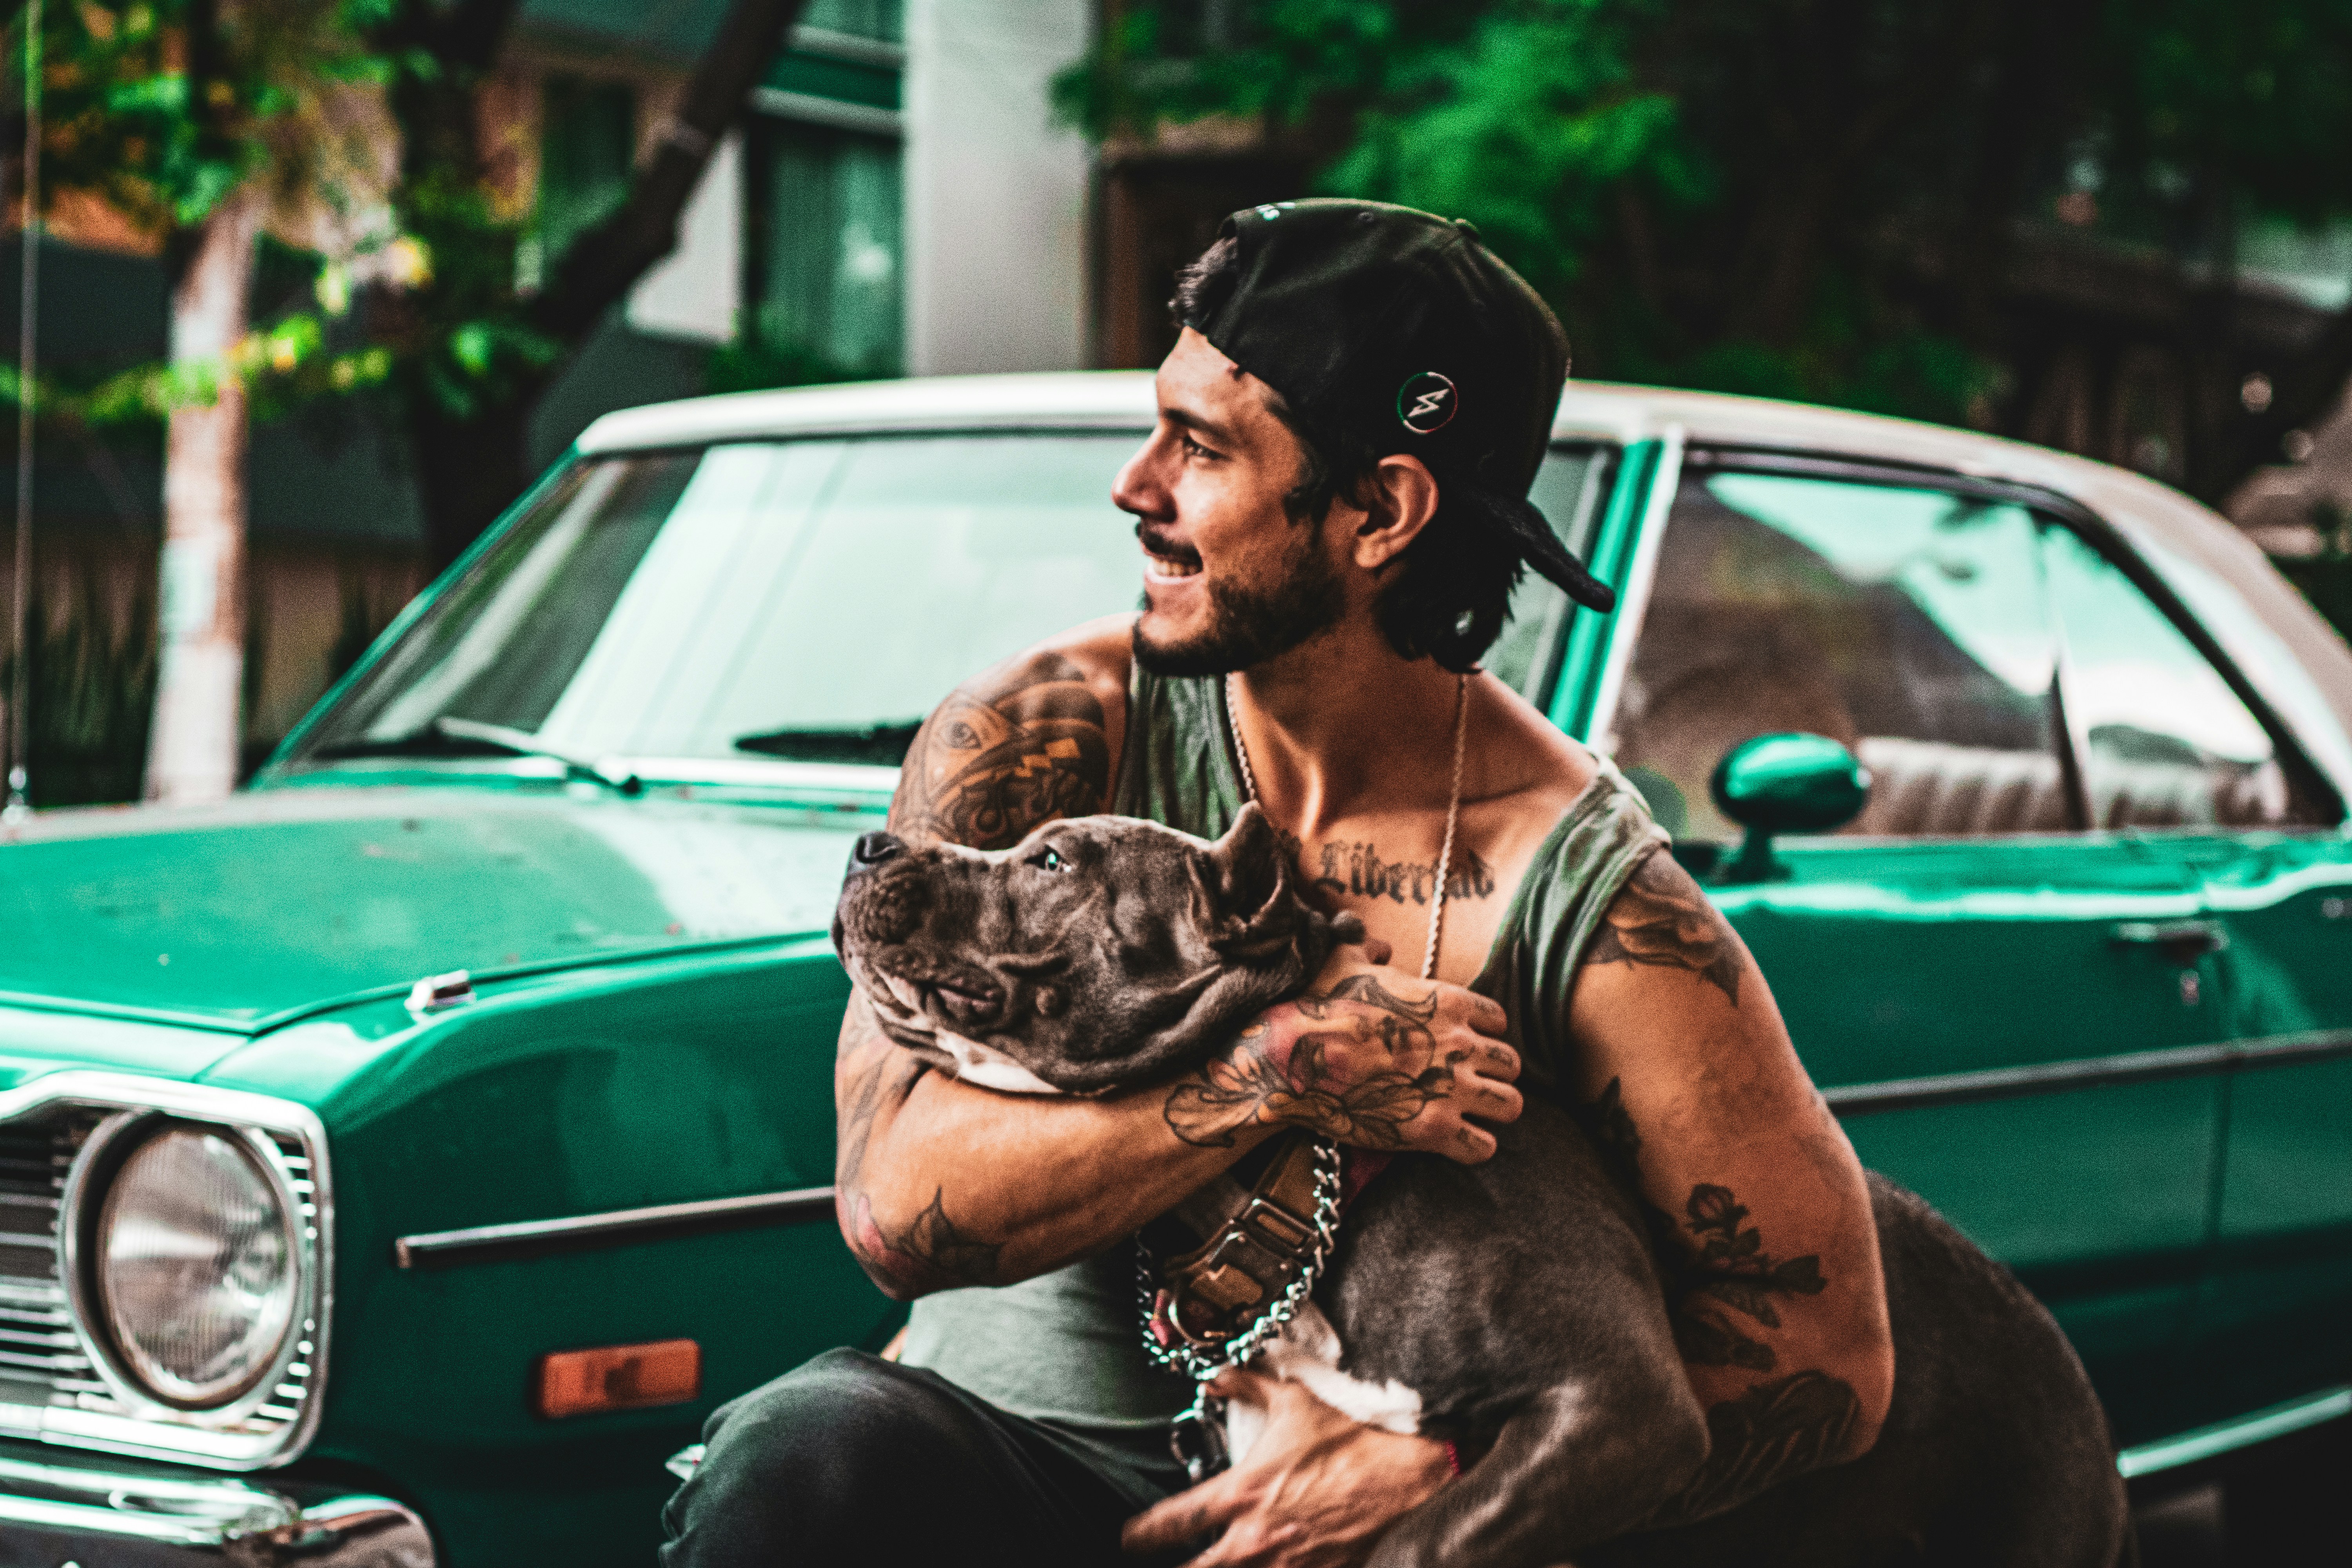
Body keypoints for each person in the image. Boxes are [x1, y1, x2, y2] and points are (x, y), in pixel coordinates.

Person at [660, 199, 1895, 1568]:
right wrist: (1283, 1070)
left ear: (1380, 510)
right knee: (807, 1452)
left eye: (1201, 449)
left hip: (1335, 1537)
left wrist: (1449, 1468)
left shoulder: (1591, 902)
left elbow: (1832, 1357)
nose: (1135, 487)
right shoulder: (1053, 733)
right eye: (1157, 426)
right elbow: (895, 1208)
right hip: (1008, 1470)